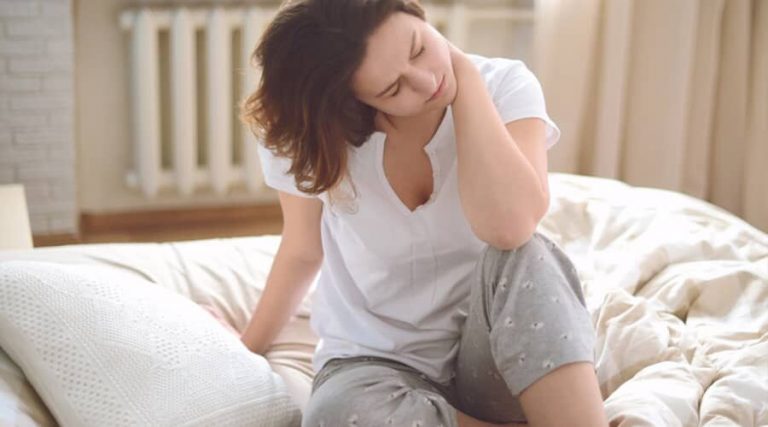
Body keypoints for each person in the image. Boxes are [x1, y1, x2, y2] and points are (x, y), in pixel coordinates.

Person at [238, 1, 607, 426]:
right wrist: (245, 348)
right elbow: (303, 249)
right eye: (393, 89)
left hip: (494, 353)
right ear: (352, 100)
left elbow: (510, 227)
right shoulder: (316, 136)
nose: (427, 81)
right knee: (336, 414)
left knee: (528, 255)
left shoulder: (505, 85)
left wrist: (466, 78)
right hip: (374, 363)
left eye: (418, 48)